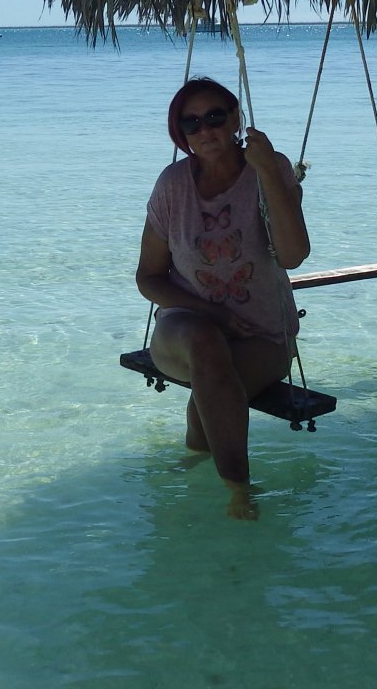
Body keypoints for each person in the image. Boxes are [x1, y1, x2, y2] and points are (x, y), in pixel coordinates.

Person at [136, 76, 310, 519]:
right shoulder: (173, 185)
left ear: (235, 119)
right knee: (205, 343)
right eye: (191, 123)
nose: (205, 130)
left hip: (261, 333)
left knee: (206, 410)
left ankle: (198, 475)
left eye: (215, 117)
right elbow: (149, 277)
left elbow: (293, 255)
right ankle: (239, 490)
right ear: (180, 132)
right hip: (185, 328)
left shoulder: (269, 168)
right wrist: (211, 313)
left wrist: (267, 171)